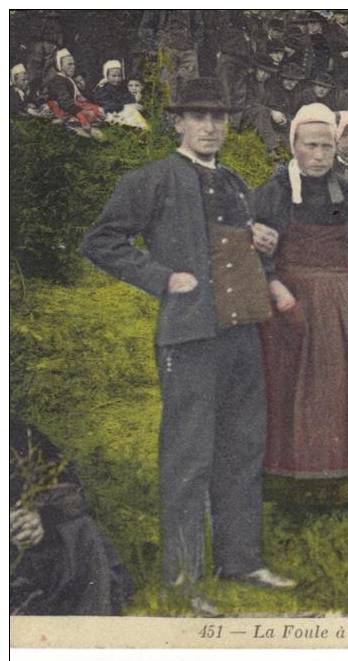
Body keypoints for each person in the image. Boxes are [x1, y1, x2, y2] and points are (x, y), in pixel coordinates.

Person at [81, 78, 295, 612]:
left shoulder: (236, 181)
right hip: (191, 336)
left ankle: (241, 560)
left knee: (243, 450)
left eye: (218, 117)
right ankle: (182, 577)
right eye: (198, 117)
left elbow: (234, 248)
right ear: (177, 123)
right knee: (188, 457)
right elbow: (101, 241)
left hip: (243, 331)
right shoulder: (151, 179)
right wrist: (161, 277)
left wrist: (259, 243)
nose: (210, 127)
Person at [253, 103, 348, 481]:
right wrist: (273, 284)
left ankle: (347, 468)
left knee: (341, 385)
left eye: (326, 148)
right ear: (293, 146)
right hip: (290, 299)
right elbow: (253, 245)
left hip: (340, 300)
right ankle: (290, 470)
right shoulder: (274, 191)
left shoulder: (346, 190)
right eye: (310, 146)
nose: (318, 156)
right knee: (292, 386)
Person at [10, 417, 134, 616]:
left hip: (24, 552)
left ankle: (88, 635)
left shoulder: (16, 432)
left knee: (81, 532)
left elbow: (68, 488)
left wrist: (41, 519)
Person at [44, 48, 105, 139]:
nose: (73, 67)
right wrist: (80, 113)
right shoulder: (57, 81)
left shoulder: (68, 78)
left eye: (73, 64)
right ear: (60, 65)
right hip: (62, 107)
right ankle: (74, 127)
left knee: (98, 111)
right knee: (89, 115)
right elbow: (64, 100)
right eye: (69, 64)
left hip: (72, 105)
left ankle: (77, 127)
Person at [92, 59, 146, 129]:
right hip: (108, 117)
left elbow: (125, 99)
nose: (117, 79)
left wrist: (134, 99)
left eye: (119, 76)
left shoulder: (121, 87)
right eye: (113, 76)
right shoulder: (102, 90)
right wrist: (126, 106)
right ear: (107, 76)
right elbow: (107, 106)